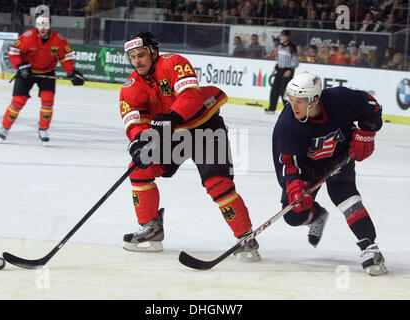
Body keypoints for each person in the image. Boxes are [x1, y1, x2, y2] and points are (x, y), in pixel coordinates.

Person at [119, 31, 260, 262]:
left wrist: (172, 116)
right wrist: (139, 142)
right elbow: (134, 121)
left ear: (154, 53)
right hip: (173, 135)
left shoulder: (174, 62)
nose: (137, 61)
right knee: (139, 168)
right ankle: (151, 227)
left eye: (141, 54)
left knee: (218, 184)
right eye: (133, 57)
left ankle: (246, 238)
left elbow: (191, 96)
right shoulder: (131, 87)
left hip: (205, 128)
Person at [271, 72, 387, 276]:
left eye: (300, 101)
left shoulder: (341, 100)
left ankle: (370, 247)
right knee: (293, 215)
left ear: (315, 99)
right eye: (292, 99)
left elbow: (372, 107)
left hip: (339, 159)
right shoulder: (287, 125)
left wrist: (368, 132)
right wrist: (294, 185)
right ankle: (317, 216)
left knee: (347, 198)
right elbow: (288, 163)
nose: (293, 106)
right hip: (307, 169)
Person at [0, 5, 85, 145]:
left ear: (50, 25)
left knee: (47, 100)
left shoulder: (58, 40)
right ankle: (4, 128)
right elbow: (14, 52)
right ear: (36, 24)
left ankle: (43, 129)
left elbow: (66, 57)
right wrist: (20, 66)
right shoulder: (28, 37)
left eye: (45, 24)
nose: (42, 28)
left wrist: (72, 72)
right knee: (18, 101)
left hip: (47, 72)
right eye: (39, 24)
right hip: (27, 72)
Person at [265, 30, 298, 114]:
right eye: (281, 36)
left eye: (284, 36)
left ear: (288, 37)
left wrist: (290, 70)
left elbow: (296, 61)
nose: (282, 37)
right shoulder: (280, 46)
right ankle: (272, 108)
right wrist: (275, 68)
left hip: (287, 70)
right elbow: (278, 59)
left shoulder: (292, 47)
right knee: (274, 89)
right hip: (279, 69)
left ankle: (288, 109)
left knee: (284, 90)